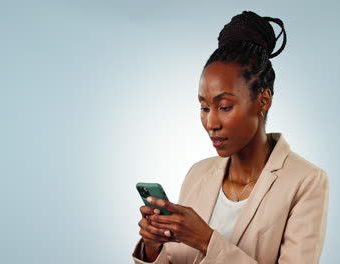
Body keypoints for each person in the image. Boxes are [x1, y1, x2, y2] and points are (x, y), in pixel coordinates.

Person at [133, 10, 329, 264]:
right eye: (204, 107)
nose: (211, 123)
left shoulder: (306, 182)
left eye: (224, 107)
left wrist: (206, 240)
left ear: (263, 100)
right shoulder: (198, 174)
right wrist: (152, 246)